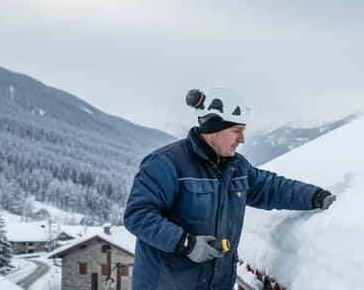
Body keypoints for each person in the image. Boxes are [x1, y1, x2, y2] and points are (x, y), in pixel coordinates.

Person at [124, 88, 337, 290]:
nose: (242, 139)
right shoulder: (166, 164)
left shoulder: (236, 167)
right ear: (214, 128)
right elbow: (138, 215)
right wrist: (186, 243)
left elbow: (272, 188)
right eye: (237, 130)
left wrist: (316, 196)